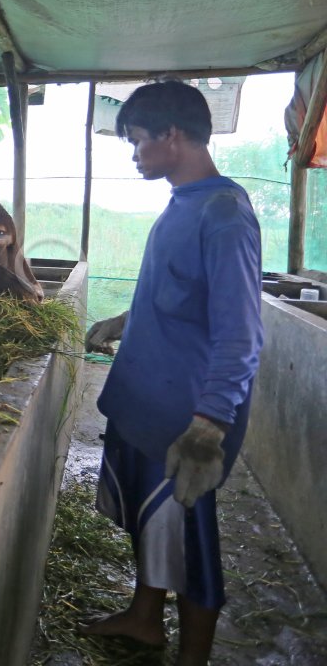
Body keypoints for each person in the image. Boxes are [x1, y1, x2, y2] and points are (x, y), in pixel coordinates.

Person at [80, 81, 264, 666]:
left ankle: (193, 658)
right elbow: (185, 292)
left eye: (137, 140)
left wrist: (208, 425)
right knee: (147, 521)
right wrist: (126, 319)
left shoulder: (224, 213)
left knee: (190, 543)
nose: (133, 153)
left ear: (173, 136)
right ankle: (143, 618)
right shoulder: (186, 201)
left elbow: (241, 333)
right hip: (143, 404)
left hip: (183, 421)